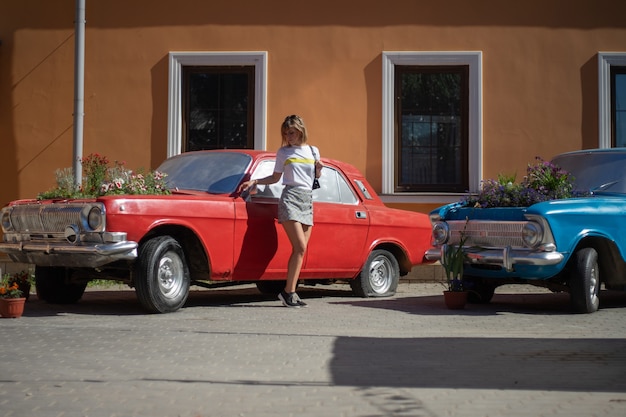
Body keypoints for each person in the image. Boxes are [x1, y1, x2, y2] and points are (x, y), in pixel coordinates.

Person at [238, 115, 323, 308]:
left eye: (291, 132)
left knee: (300, 251)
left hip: (307, 199)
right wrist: (256, 181)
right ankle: (288, 292)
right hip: (290, 198)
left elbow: (315, 178)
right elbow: (275, 178)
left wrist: (319, 169)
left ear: (301, 130)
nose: (288, 136)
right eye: (286, 133)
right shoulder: (283, 152)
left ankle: (290, 293)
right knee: (300, 246)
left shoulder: (313, 150)